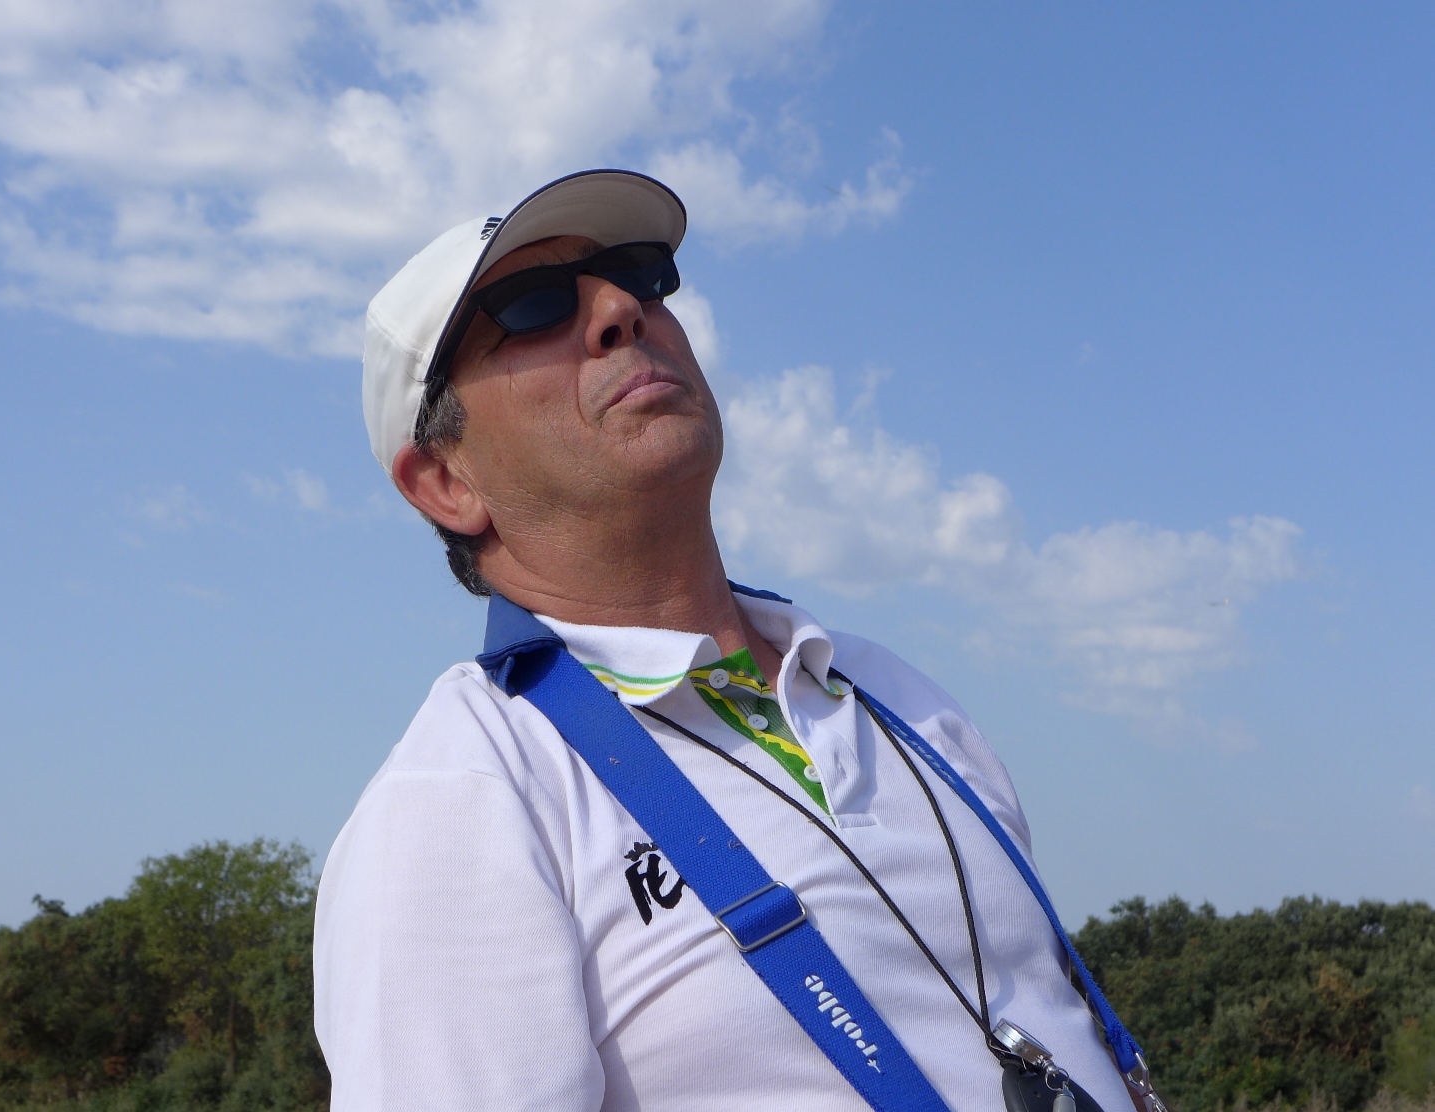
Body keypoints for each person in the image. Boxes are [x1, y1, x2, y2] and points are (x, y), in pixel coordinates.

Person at [314, 169, 1157, 1112]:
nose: (620, 308)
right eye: (532, 306)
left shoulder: (897, 695)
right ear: (444, 483)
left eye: (636, 272)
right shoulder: (464, 796)